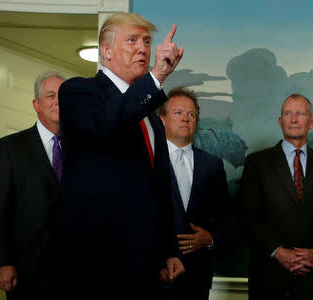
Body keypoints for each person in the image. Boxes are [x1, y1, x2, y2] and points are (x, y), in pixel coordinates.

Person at [55, 12, 185, 299]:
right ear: (107, 50)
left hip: (146, 265)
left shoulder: (150, 116)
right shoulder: (79, 91)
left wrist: (168, 251)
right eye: (132, 40)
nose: (143, 48)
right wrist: (156, 77)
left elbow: (160, 188)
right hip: (96, 260)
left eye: (147, 41)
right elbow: (104, 125)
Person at [239, 93, 313, 300]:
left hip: (311, 279)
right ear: (280, 121)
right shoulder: (257, 163)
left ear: (312, 122)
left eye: (300, 114)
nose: (294, 119)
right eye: (288, 114)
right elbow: (248, 216)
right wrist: (277, 251)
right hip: (268, 278)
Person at [0, 72, 65, 299]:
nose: (59, 101)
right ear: (36, 104)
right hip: (27, 270)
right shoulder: (10, 148)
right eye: (51, 96)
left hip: (73, 270)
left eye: (64, 95)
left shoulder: (81, 149)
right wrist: (2, 262)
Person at [158, 87, 230, 299]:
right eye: (178, 113)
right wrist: (159, 260)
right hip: (157, 275)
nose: (185, 119)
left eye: (191, 115)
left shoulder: (212, 165)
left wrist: (211, 238)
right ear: (163, 119)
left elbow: (225, 216)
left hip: (197, 277)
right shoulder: (148, 161)